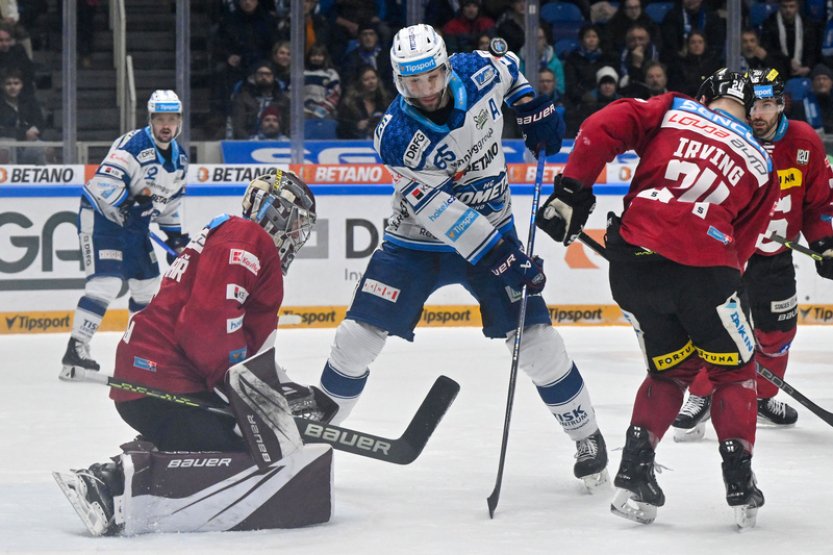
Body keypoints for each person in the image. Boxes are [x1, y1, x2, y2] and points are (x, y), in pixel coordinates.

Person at [307, 24, 609, 489]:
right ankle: (311, 444)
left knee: (537, 344)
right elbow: (441, 214)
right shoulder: (395, 136)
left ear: (447, 66)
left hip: (494, 222)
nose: (425, 91)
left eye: (431, 77)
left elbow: (511, 70)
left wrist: (530, 104)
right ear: (397, 81)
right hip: (415, 241)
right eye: (412, 82)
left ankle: (587, 436)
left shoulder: (480, 69)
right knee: (355, 339)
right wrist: (506, 258)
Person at [536, 68, 780, 527]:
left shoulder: (672, 108)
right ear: (751, 111)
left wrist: (571, 191)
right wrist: (728, 303)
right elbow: (741, 248)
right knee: (734, 375)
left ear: (705, 95)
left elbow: (600, 127)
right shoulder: (763, 162)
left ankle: (634, 472)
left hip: (633, 266)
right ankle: (739, 482)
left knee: (670, 371)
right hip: (706, 272)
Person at [53, 171, 333, 536]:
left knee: (226, 435)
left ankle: (107, 478)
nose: (298, 236)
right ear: (276, 212)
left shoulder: (239, 239)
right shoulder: (248, 238)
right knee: (244, 448)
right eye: (297, 224)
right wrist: (242, 396)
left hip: (157, 375)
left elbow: (241, 340)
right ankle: (112, 488)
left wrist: (279, 388)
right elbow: (209, 325)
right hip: (163, 377)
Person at [672, 68, 833, 440]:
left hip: (775, 258)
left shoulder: (804, 142)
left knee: (777, 332)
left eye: (765, 105)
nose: (757, 114)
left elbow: (819, 204)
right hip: (727, 253)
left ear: (780, 105)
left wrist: (824, 242)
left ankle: (763, 396)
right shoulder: (728, 139)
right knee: (717, 328)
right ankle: (701, 396)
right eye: (751, 105)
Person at [59, 90, 189, 380]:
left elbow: (167, 204)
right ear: (150, 120)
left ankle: (140, 351)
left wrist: (175, 237)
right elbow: (103, 183)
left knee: (148, 287)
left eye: (171, 119)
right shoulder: (133, 144)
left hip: (134, 226)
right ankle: (76, 348)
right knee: (106, 283)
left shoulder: (180, 158)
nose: (165, 125)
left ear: (179, 121)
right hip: (103, 219)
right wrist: (129, 203)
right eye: (160, 119)